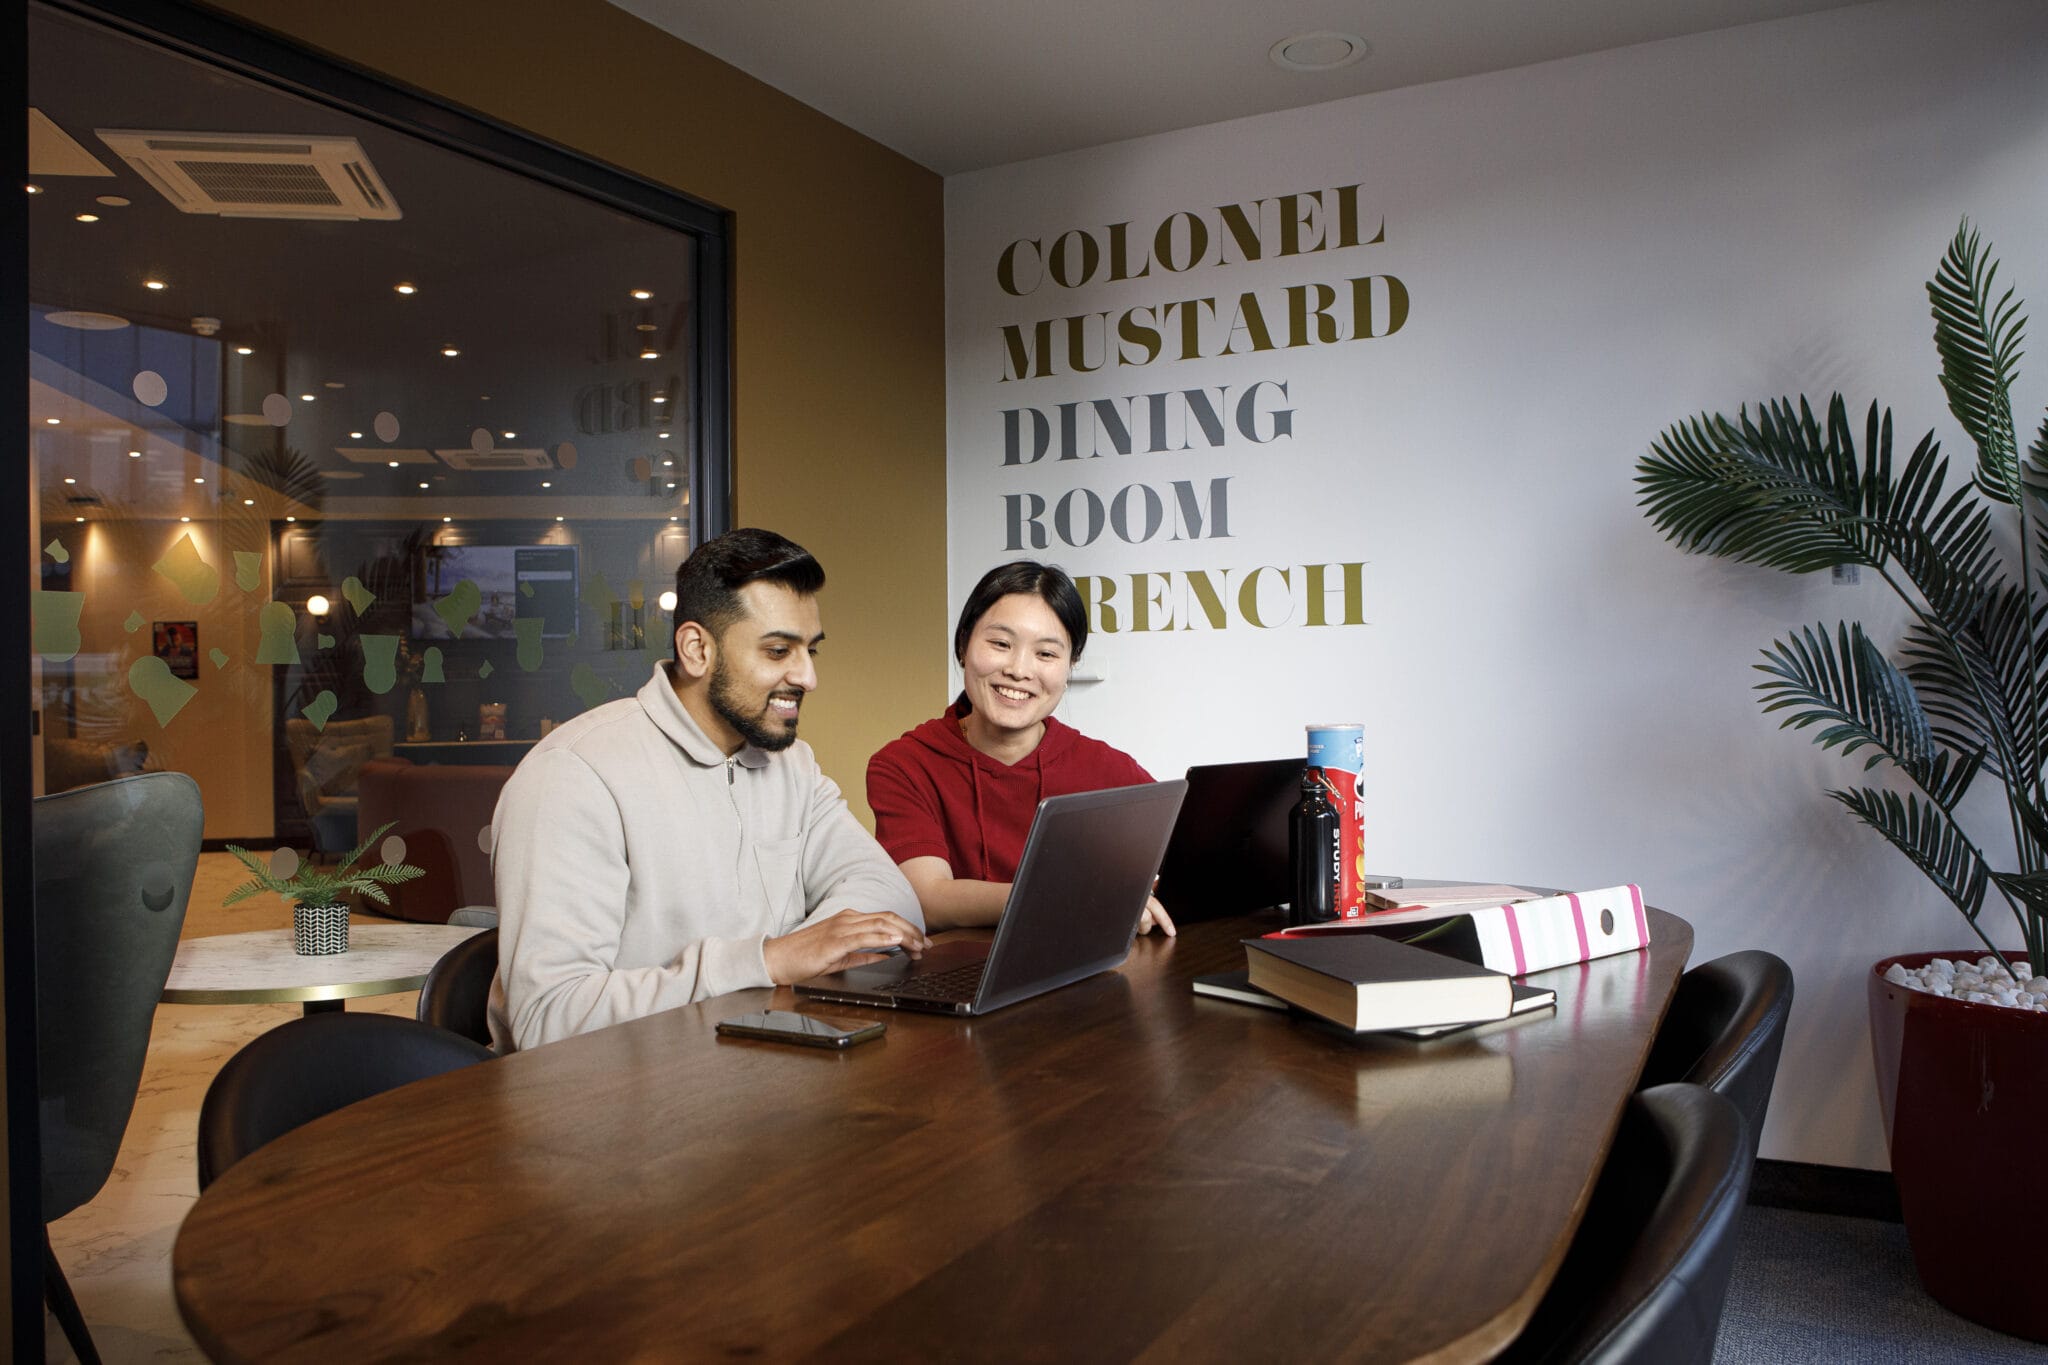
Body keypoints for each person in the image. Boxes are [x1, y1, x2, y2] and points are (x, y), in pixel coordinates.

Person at [488, 528, 928, 1051]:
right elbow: (548, 1019)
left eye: (811, 650)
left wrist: (807, 951)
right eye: (778, 650)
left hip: (761, 1073)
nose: (808, 676)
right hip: (606, 1106)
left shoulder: (793, 766)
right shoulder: (572, 775)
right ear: (697, 649)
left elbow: (891, 896)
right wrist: (767, 960)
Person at [866, 560, 1175, 935]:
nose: (1019, 669)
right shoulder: (904, 765)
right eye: (1000, 644)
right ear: (964, 644)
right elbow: (929, 901)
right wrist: (1077, 895)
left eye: (1046, 654)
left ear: (1070, 665)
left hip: (1081, 977)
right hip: (959, 981)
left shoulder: (1108, 768)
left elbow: (1183, 872)